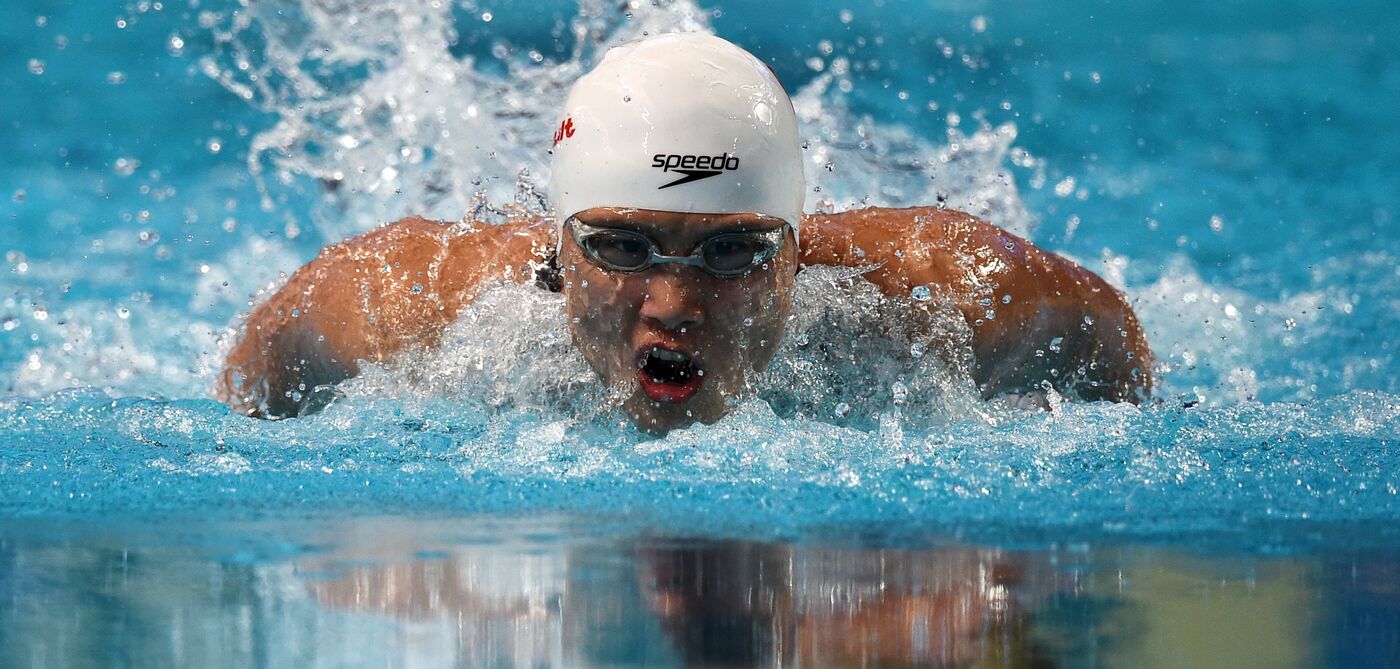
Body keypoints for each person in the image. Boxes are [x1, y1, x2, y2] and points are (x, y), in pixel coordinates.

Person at [218, 32, 1152, 433]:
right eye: (621, 247)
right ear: (560, 247)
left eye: (732, 252)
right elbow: (251, 377)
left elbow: (1113, 346)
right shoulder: (412, 306)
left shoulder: (940, 298)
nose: (674, 304)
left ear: (797, 251)